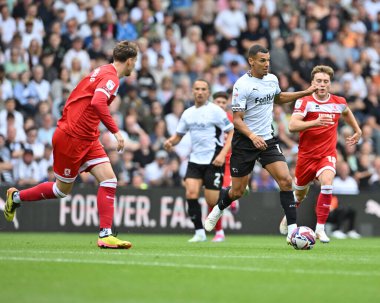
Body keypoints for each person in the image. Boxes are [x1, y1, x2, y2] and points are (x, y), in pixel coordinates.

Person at [4, 40, 138, 249]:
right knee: (61, 191)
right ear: (130, 61)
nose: (135, 66)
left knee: (109, 180)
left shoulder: (103, 70)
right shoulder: (111, 77)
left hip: (87, 137)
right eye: (135, 62)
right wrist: (116, 131)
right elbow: (97, 102)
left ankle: (105, 234)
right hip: (72, 137)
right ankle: (16, 197)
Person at [205, 44, 317, 243]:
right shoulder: (242, 85)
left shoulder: (272, 79)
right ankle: (219, 208)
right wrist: (252, 136)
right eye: (262, 61)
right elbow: (237, 119)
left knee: (285, 181)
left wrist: (305, 92)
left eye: (268, 61)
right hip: (245, 142)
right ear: (251, 61)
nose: (267, 64)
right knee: (238, 191)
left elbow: (279, 98)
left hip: (267, 139)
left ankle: (292, 231)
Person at [278, 65, 362, 243]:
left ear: (330, 84)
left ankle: (320, 229)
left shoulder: (338, 102)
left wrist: (357, 130)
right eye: (319, 81)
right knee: (299, 195)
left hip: (327, 154)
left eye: (325, 81)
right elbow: (292, 126)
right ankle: (289, 216)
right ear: (312, 83)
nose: (322, 84)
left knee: (327, 182)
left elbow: (346, 112)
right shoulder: (305, 101)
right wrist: (315, 122)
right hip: (306, 157)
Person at [164, 79, 234, 242]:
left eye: (203, 89)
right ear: (193, 91)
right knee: (191, 193)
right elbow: (178, 136)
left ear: (208, 93)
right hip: (195, 160)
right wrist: (170, 142)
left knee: (211, 200)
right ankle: (199, 232)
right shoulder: (188, 113)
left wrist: (223, 154)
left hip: (214, 159)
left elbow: (231, 133)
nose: (200, 92)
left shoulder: (216, 111)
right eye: (197, 89)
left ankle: (232, 194)